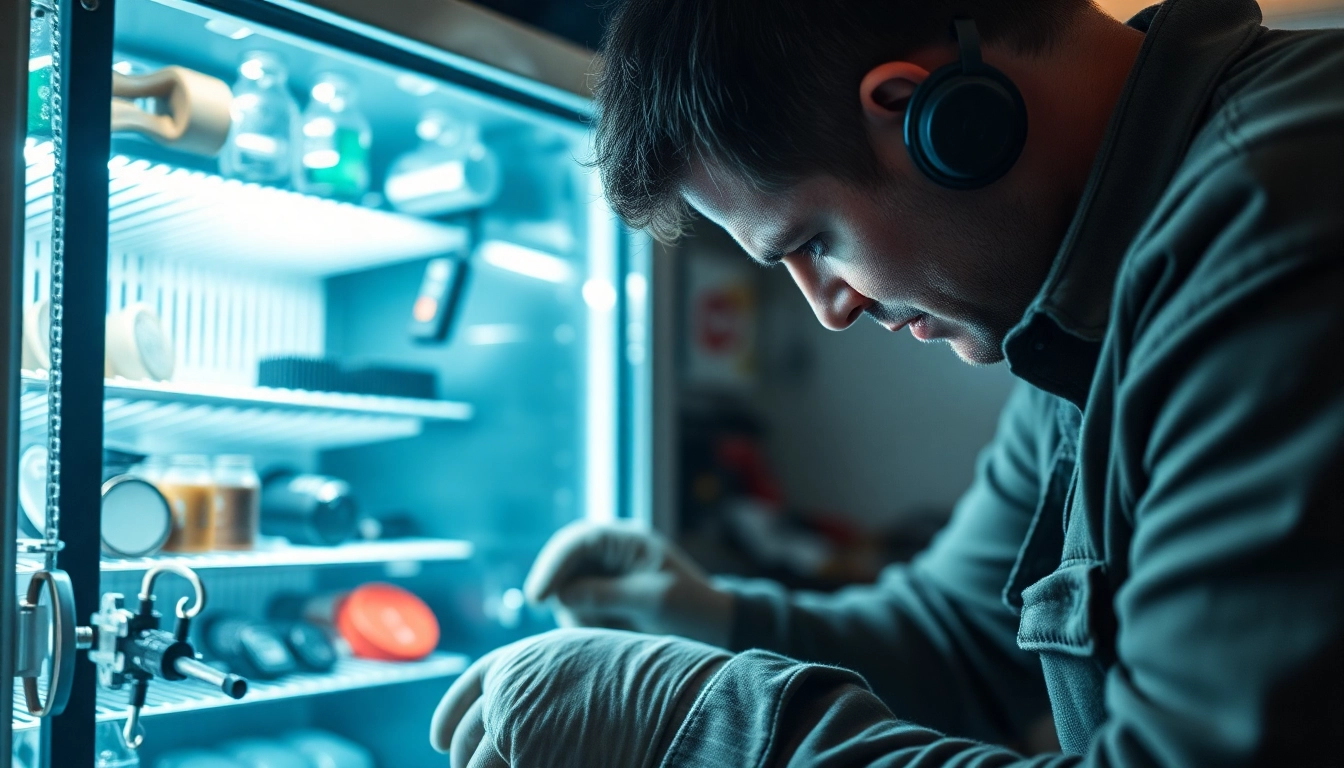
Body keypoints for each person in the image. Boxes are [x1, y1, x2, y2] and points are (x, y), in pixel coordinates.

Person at [431, 0, 1344, 764]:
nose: (829, 307)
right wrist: (709, 616)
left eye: (812, 243)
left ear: (928, 116)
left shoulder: (1275, 223)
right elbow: (957, 641)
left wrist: (691, 722)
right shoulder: (1088, 298)